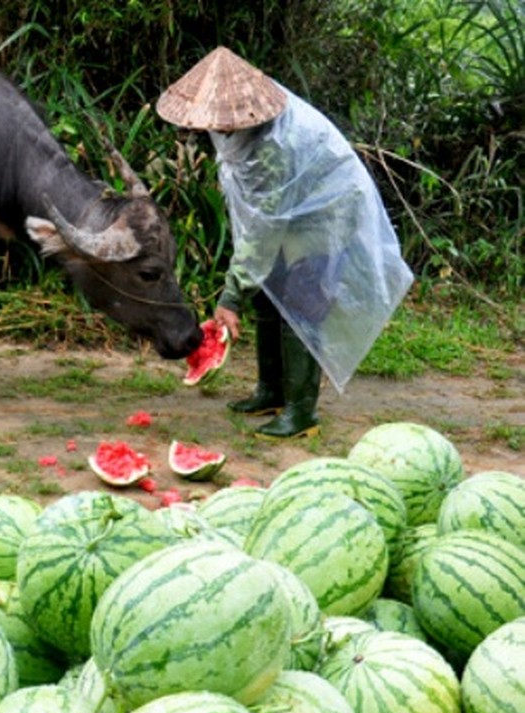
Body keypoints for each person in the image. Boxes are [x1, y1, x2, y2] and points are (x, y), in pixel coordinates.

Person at [157, 47, 414, 438]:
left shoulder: (271, 145)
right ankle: (271, 390)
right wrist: (246, 284)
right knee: (266, 293)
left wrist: (229, 299)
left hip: (327, 209)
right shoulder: (233, 118)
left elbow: (263, 228)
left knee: (301, 300)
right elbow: (256, 211)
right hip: (287, 206)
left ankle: (301, 411)